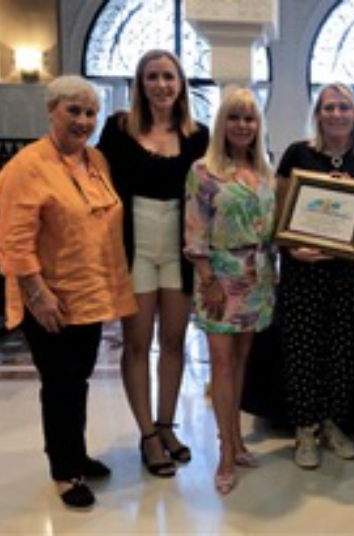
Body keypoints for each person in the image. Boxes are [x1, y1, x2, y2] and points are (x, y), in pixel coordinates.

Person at [0, 76, 137, 510]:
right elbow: (14, 240)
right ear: (51, 110)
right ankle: (63, 472)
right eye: (73, 110)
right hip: (51, 300)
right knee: (60, 385)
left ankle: (75, 454)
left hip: (91, 293)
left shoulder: (94, 158)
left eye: (90, 112)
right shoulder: (26, 166)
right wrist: (37, 294)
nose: (83, 120)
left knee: (77, 381)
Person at [97, 49, 209, 478]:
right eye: (152, 77)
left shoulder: (198, 134)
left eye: (169, 76)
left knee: (176, 341)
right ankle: (146, 433)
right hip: (137, 243)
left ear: (181, 83)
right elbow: (99, 185)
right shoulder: (118, 128)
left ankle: (166, 425)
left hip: (179, 248)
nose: (161, 84)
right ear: (140, 84)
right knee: (138, 341)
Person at [275, 82, 354, 470]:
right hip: (303, 270)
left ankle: (333, 424)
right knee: (303, 348)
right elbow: (279, 214)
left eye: (344, 107)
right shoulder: (297, 153)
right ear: (317, 114)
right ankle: (305, 429)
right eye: (328, 107)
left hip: (348, 270)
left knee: (342, 349)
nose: (336, 114)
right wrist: (291, 248)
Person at [184, 87, 276, 494]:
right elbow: (195, 231)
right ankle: (224, 450)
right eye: (235, 118)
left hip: (258, 277)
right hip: (218, 277)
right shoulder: (203, 171)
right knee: (221, 365)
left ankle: (237, 439)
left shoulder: (265, 173)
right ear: (223, 124)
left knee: (241, 363)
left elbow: (273, 231)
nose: (243, 125)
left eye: (250, 118)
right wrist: (207, 279)